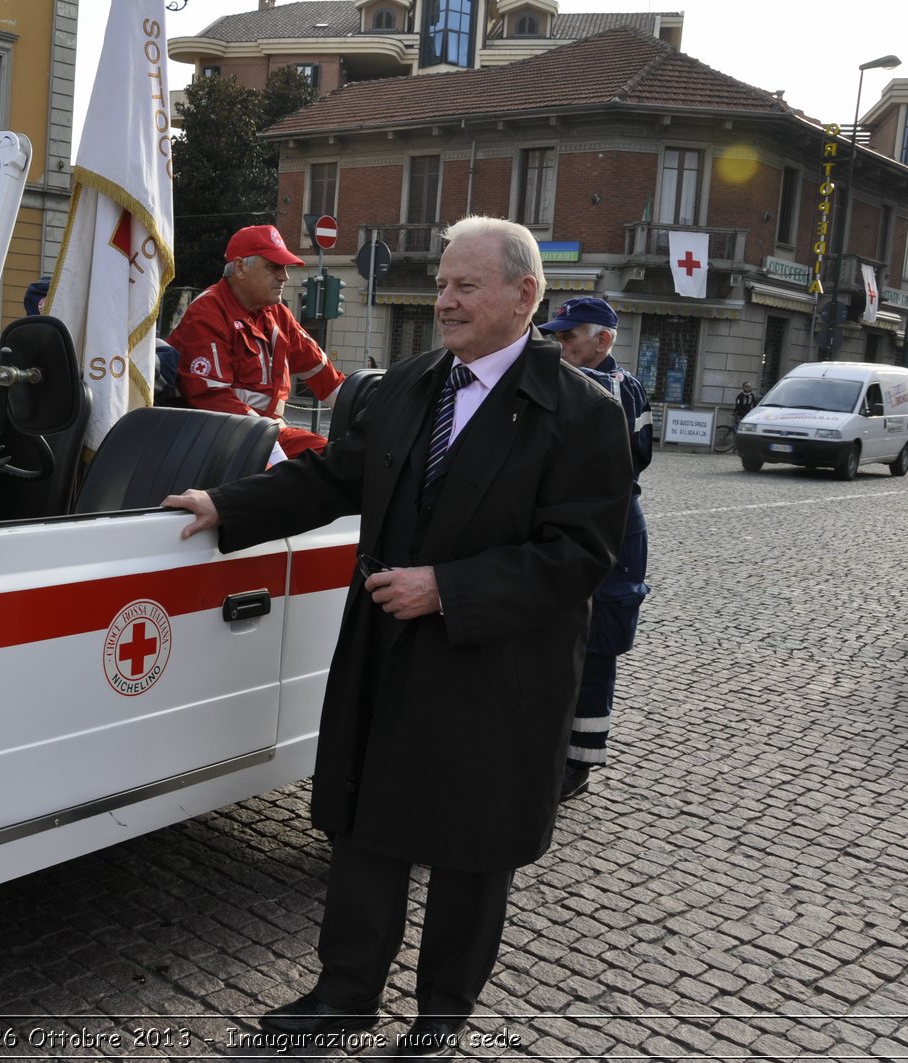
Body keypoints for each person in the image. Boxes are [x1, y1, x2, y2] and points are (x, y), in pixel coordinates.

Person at [164, 217, 633, 1056]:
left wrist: (448, 589)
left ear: (525, 296)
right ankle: (343, 996)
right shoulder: (414, 383)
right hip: (388, 650)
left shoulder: (581, 412)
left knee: (471, 850)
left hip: (497, 668)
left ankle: (440, 1016)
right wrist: (227, 505)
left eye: (464, 286)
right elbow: (335, 473)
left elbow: (579, 555)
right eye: (442, 284)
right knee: (366, 828)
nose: (443, 301)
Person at [538, 297, 651, 801]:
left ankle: (578, 762)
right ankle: (547, 747)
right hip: (569, 521)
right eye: (556, 336)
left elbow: (632, 461)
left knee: (600, 642)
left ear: (603, 340)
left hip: (615, 524)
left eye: (568, 337)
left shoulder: (620, 388)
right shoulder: (556, 376)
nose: (558, 344)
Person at [167, 224, 344, 457]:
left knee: (339, 461)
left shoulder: (277, 313)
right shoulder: (207, 313)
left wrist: (368, 412)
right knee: (301, 480)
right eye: (274, 267)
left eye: (284, 267)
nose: (285, 276)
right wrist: (269, 448)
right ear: (240, 268)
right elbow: (213, 399)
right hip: (219, 441)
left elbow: (323, 374)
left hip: (268, 434)